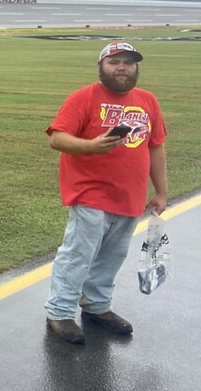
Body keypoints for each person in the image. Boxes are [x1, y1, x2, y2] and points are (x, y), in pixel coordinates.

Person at [44, 42, 168, 344]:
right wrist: (91, 146)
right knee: (79, 253)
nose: (122, 67)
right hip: (90, 192)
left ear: (136, 68)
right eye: (114, 62)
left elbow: (155, 146)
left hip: (129, 196)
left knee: (112, 256)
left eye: (128, 62)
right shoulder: (84, 97)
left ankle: (97, 306)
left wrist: (161, 192)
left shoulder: (147, 100)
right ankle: (59, 312)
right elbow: (57, 138)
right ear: (100, 67)